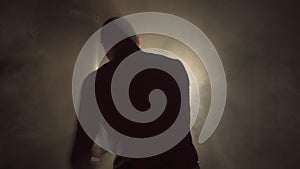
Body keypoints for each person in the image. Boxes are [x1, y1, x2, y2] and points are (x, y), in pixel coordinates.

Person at [71, 17, 200, 169]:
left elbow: (80, 152)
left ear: (107, 48)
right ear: (137, 40)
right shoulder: (174, 67)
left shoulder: (95, 82)